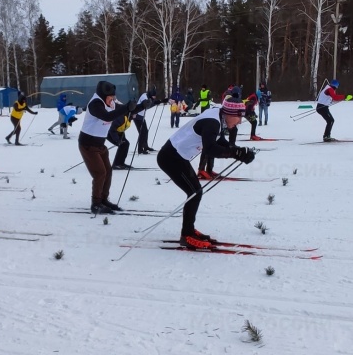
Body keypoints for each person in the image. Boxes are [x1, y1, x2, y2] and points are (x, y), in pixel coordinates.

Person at [158, 105, 255, 249]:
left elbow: (219, 142)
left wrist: (239, 151)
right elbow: (210, 149)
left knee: (195, 192)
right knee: (194, 192)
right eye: (239, 117)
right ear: (229, 113)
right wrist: (235, 154)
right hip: (170, 158)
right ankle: (187, 235)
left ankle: (189, 230)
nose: (240, 121)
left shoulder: (218, 117)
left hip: (178, 156)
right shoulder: (213, 122)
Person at [79, 81, 145, 214]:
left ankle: (103, 199)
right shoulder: (95, 104)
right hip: (88, 144)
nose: (112, 100)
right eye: (110, 98)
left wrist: (141, 106)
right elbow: (107, 116)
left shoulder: (111, 103)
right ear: (104, 96)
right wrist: (126, 108)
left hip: (99, 144)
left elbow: (126, 109)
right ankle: (96, 203)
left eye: (113, 97)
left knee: (108, 171)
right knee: (100, 173)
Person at [132, 86, 163, 154]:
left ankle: (145, 146)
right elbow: (147, 105)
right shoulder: (144, 97)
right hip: (137, 116)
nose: (153, 98)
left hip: (141, 116)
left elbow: (151, 103)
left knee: (145, 131)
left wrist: (158, 101)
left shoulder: (147, 96)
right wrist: (154, 103)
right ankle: (140, 149)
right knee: (142, 132)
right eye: (153, 96)